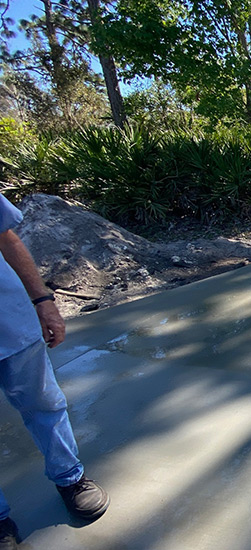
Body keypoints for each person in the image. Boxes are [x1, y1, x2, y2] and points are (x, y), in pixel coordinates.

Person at [0, 194, 109, 550]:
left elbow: (6, 238)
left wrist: (44, 302)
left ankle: (70, 478)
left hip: (10, 322)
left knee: (45, 403)